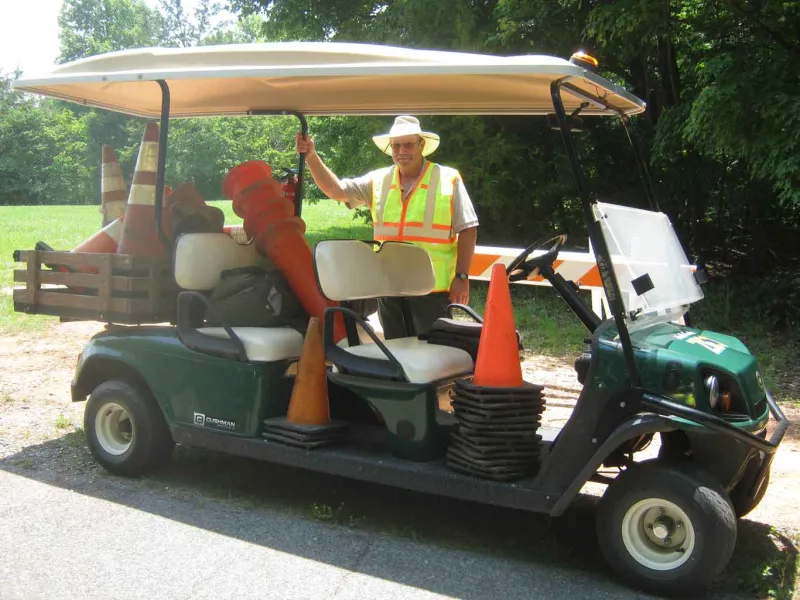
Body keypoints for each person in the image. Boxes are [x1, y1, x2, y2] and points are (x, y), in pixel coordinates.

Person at [296, 115, 479, 339]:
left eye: (408, 144)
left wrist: (461, 277)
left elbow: (468, 229)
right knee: (396, 350)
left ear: (421, 145)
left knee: (433, 354)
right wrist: (312, 157)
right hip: (389, 288)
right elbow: (337, 190)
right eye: (396, 145)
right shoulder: (379, 180)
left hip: (432, 290)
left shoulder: (448, 179)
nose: (402, 151)